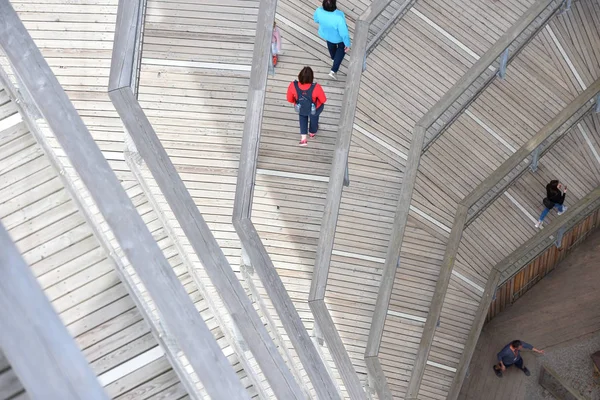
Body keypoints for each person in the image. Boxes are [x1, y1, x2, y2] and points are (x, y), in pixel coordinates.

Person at [286, 67, 327, 146]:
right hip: (314, 108)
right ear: (312, 77)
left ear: (299, 75)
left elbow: (289, 99)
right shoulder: (316, 87)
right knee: (314, 119)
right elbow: (323, 100)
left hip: (301, 108)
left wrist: (297, 102)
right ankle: (312, 133)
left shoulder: (292, 85)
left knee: (302, 118)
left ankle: (303, 138)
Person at [313, 0, 351, 80]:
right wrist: (347, 44)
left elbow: (316, 20)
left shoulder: (319, 10)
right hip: (339, 38)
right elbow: (344, 33)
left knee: (331, 46)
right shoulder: (339, 16)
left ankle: (334, 59)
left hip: (326, 34)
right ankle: (333, 71)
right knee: (341, 48)